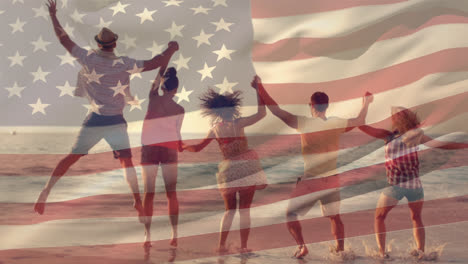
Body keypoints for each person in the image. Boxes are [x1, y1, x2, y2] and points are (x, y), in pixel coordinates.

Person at [33, 0, 179, 220]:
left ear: (99, 44)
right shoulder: (124, 63)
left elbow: (64, 39)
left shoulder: (87, 58)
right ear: (114, 44)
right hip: (116, 121)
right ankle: (137, 201)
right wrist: (170, 50)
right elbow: (153, 63)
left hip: (95, 119)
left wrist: (54, 15)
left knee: (71, 157)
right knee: (126, 163)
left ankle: (46, 190)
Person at [256, 79, 373, 258]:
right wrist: (366, 103)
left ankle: (303, 246)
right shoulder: (336, 123)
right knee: (335, 217)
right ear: (327, 106)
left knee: (291, 214)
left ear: (311, 105)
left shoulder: (304, 123)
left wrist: (260, 87)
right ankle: (340, 251)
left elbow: (275, 109)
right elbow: (360, 120)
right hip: (332, 178)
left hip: (312, 179)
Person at [359, 106, 468, 259]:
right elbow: (441, 145)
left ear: (396, 120)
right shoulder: (416, 135)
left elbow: (363, 127)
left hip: (396, 185)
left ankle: (382, 253)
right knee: (416, 218)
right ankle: (421, 252)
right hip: (415, 186)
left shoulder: (388, 136)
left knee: (379, 217)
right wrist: (465, 145)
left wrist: (364, 107)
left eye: (393, 117)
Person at [183, 76, 267, 253]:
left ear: (218, 112)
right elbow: (262, 114)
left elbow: (197, 148)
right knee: (244, 211)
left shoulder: (215, 129)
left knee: (229, 211)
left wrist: (183, 146)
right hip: (246, 167)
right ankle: (243, 246)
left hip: (228, 170)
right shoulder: (240, 123)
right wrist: (258, 90)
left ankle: (221, 245)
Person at [140, 64, 184, 248]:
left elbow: (156, 80)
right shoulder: (180, 109)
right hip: (169, 148)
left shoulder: (153, 99)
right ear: (176, 90)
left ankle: (147, 237)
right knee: (171, 194)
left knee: (148, 193)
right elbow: (177, 131)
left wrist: (166, 58)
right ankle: (174, 235)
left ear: (162, 87)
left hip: (150, 148)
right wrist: (181, 145)